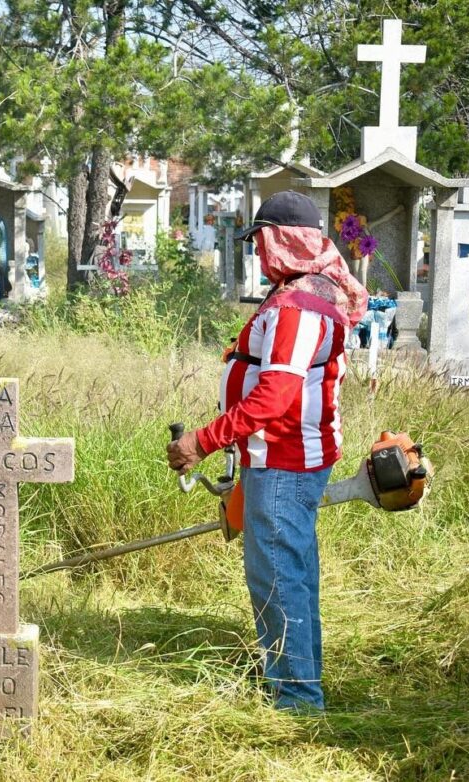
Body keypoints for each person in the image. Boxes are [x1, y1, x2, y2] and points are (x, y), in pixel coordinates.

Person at [167, 191, 368, 712]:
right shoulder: (306, 291)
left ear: (284, 239)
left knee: (278, 576)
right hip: (284, 456)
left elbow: (274, 397)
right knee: (291, 572)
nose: (258, 252)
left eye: (261, 241)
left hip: (283, 460)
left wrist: (202, 441)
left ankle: (297, 698)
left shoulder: (299, 307)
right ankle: (299, 681)